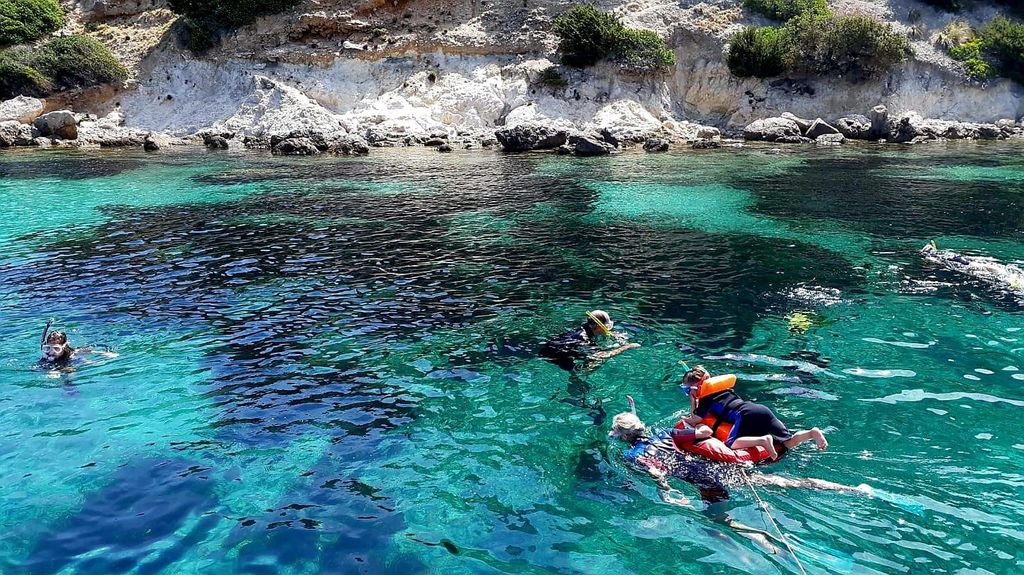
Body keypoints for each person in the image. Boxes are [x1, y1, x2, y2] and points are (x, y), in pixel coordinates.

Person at [680, 365, 827, 461]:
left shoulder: (706, 400)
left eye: (688, 390)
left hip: (744, 414)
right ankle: (812, 433)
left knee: (731, 444)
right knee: (788, 442)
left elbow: (695, 420)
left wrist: (693, 400)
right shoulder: (725, 389)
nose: (688, 393)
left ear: (697, 388)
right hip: (760, 409)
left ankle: (763, 440)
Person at [539, 310, 639, 372]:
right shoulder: (584, 338)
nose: (608, 329)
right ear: (599, 326)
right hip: (555, 356)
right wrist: (626, 347)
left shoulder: (583, 329)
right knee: (597, 360)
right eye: (607, 326)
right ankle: (576, 378)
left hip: (548, 350)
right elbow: (602, 355)